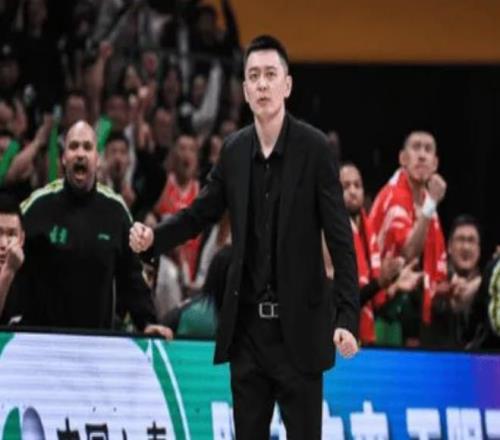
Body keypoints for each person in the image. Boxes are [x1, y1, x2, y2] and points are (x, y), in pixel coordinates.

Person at [130, 35, 359, 439]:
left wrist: (346, 317)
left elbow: (340, 238)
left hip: (300, 331)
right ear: (245, 89)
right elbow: (199, 213)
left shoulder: (315, 148)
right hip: (248, 332)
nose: (262, 84)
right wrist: (155, 238)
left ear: (287, 85)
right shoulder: (234, 151)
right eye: (254, 76)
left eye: (271, 74)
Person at [18, 120, 171, 338]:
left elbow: (132, 276)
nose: (80, 154)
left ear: (98, 159)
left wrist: (147, 322)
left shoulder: (116, 210)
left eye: (87, 147)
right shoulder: (38, 206)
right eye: (73, 147)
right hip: (43, 341)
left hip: (97, 343)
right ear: (63, 158)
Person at [369, 131, 447, 346]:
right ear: (402, 158)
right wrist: (431, 204)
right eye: (416, 147)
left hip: (407, 307)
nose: (422, 155)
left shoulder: (425, 200)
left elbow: (434, 263)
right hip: (379, 309)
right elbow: (409, 253)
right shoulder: (393, 195)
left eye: (428, 149)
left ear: (435, 163)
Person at [339, 162, 422, 345]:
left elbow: (372, 302)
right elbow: (342, 300)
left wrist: (394, 287)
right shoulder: (330, 235)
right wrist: (380, 283)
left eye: (357, 185)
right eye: (345, 186)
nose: (353, 191)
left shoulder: (369, 234)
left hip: (363, 337)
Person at [429, 215, 482, 348]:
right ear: (449, 247)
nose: (466, 247)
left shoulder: (489, 289)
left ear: (479, 250)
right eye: (460, 240)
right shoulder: (435, 281)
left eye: (471, 241)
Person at [0, 194, 24, 324]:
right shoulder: (10, 269)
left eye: (11, 234)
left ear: (22, 239)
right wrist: (8, 270)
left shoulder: (33, 279)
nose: (4, 244)